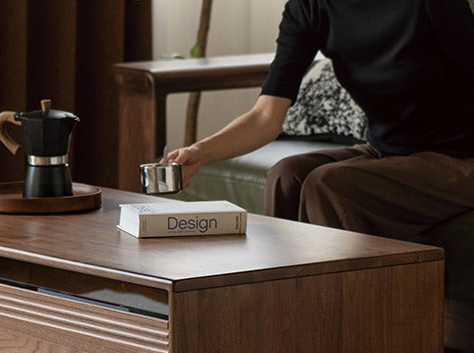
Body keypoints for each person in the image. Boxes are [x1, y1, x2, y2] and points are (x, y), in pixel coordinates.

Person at [167, 0, 474, 240]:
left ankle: (343, 317)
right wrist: (200, 152)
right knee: (287, 176)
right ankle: (284, 306)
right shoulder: (310, 7)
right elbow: (265, 116)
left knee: (327, 185)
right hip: (388, 149)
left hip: (460, 158)